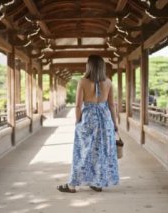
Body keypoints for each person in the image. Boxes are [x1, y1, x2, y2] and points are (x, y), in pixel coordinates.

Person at [56, 55, 120, 193]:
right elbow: (112, 106)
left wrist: (78, 121)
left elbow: (78, 105)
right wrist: (115, 124)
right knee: (101, 152)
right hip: (105, 121)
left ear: (89, 66)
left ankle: (72, 185)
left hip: (88, 120)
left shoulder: (83, 82)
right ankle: (97, 182)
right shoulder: (108, 82)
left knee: (83, 152)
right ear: (102, 66)